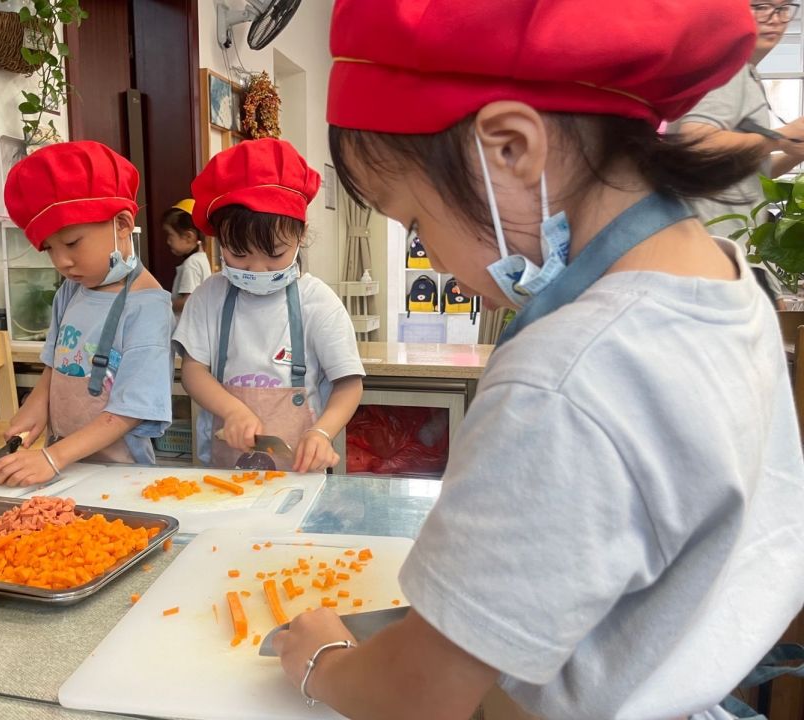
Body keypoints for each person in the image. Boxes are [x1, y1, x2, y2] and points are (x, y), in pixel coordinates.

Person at [271, 2, 804, 719]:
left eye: (418, 225)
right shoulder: (727, 283)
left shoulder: (567, 378)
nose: (437, 264)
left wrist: (323, 664)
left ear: (512, 149)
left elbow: (419, 697)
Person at [173, 138, 364, 474]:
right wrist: (231, 410)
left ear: (300, 234)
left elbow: (349, 384)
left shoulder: (318, 302)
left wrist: (322, 432)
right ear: (219, 239)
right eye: (238, 254)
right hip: (221, 474)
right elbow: (193, 370)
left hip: (300, 474)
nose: (257, 268)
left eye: (274, 254)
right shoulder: (208, 297)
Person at [0, 140, 173, 485]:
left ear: (121, 224)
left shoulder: (148, 308)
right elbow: (54, 368)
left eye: (72, 243)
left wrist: (52, 458)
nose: (62, 262)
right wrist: (35, 409)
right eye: (50, 250)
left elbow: (130, 411)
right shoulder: (71, 291)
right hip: (64, 466)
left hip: (121, 476)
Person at [672, 2, 804, 241]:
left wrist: (796, 149)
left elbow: (752, 171)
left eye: (783, 8)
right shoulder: (726, 70)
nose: (774, 18)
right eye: (760, 6)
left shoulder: (746, 72)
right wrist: (781, 138)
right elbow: (696, 140)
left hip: (722, 242)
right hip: (710, 242)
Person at [163, 198, 211, 314]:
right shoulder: (202, 258)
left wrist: (163, 304)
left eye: (170, 235)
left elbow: (188, 302)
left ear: (189, 236)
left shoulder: (191, 263)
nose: (168, 241)